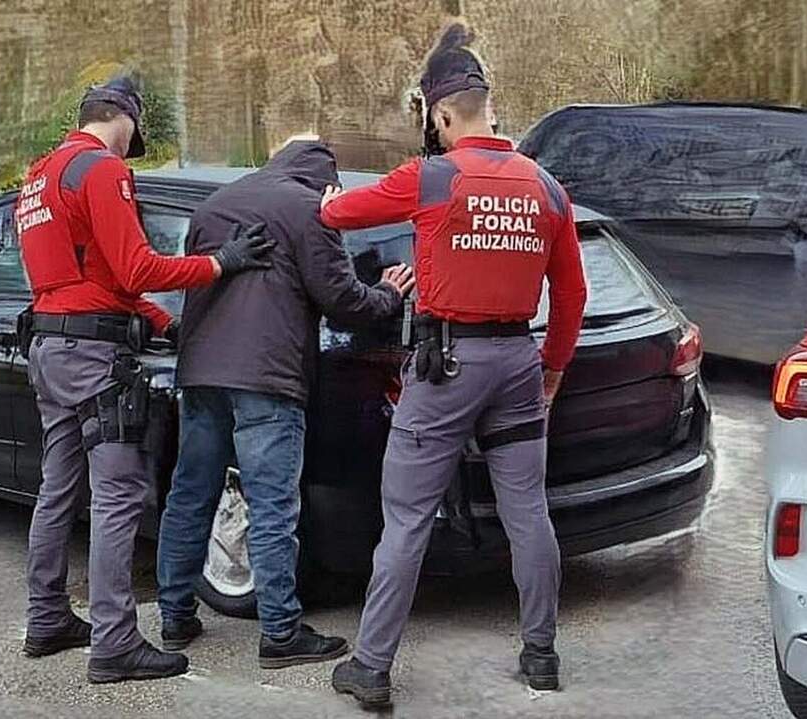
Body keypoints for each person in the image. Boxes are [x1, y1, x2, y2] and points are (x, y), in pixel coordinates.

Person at [319, 23, 587, 707]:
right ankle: (541, 653)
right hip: (517, 363)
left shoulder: (430, 176)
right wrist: (551, 368)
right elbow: (573, 296)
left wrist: (319, 196)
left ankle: (372, 667)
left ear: (441, 114)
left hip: (446, 366)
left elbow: (340, 213)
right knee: (528, 509)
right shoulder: (547, 187)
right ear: (488, 106)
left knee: (406, 515)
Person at [15, 75, 275, 684]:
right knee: (118, 494)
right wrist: (221, 263)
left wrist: (163, 323)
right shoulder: (103, 170)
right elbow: (137, 266)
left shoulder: (39, 177)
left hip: (50, 347)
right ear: (124, 119)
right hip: (94, 360)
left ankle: (46, 616)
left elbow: (94, 278)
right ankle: (114, 642)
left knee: (57, 489)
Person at [156, 136, 415, 669]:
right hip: (266, 378)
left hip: (201, 371)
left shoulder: (214, 205)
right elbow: (342, 299)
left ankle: (175, 615)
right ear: (326, 180)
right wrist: (390, 293)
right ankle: (280, 631)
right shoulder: (308, 208)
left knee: (191, 495)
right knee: (272, 504)